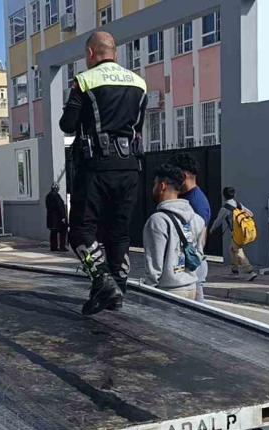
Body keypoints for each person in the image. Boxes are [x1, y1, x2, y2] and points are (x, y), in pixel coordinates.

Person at [59, 31, 148, 315]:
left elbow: (68, 125)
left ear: (90, 54)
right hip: (130, 167)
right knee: (119, 233)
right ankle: (116, 291)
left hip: (97, 167)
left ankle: (102, 280)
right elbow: (138, 127)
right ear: (116, 53)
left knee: (80, 231)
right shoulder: (139, 83)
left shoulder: (85, 81)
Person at [143, 164, 206, 300]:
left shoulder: (158, 220)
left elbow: (154, 266)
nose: (153, 188)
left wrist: (147, 293)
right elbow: (199, 254)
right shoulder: (197, 219)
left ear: (162, 186)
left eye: (155, 184)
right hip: (191, 287)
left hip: (168, 291)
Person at [170, 153, 210, 301]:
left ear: (184, 175)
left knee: (197, 313)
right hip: (188, 265)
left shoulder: (196, 202)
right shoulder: (187, 197)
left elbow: (201, 237)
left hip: (192, 266)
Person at [210, 187, 258, 281]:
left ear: (223, 196)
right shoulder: (238, 204)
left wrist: (211, 230)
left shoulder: (225, 208)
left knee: (238, 251)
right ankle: (234, 271)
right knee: (232, 249)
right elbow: (251, 214)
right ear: (234, 195)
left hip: (236, 233)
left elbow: (218, 221)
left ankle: (250, 271)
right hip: (243, 231)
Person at [45, 184, 69, 252]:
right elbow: (60, 207)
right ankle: (62, 246)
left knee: (53, 233)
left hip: (50, 218)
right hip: (58, 218)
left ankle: (53, 247)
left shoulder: (48, 196)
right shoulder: (56, 196)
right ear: (57, 188)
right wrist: (63, 217)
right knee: (63, 232)